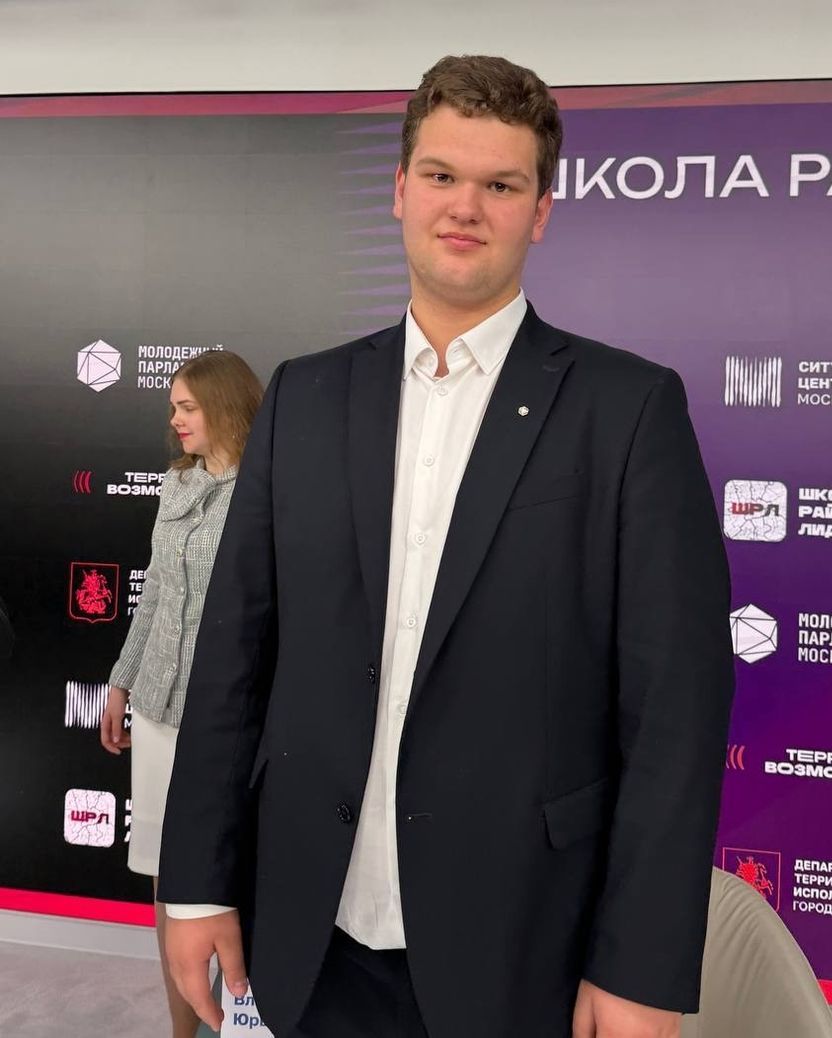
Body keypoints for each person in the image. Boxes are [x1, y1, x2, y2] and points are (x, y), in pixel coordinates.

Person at [158, 55, 735, 1038]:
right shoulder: (305, 396)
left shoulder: (628, 410)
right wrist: (197, 884)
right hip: (307, 937)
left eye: (501, 185)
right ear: (400, 189)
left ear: (540, 212)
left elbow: (674, 712)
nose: (466, 207)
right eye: (441, 175)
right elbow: (233, 663)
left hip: (521, 950)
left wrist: (640, 968)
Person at [99, 349, 263, 1038]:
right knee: (168, 886)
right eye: (173, 406)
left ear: (225, 407)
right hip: (158, 714)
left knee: (226, 882)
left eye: (187, 407)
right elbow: (156, 593)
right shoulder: (175, 483)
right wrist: (122, 680)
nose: (174, 420)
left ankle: (239, 1024)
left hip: (228, 722)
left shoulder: (266, 492)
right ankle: (182, 1033)